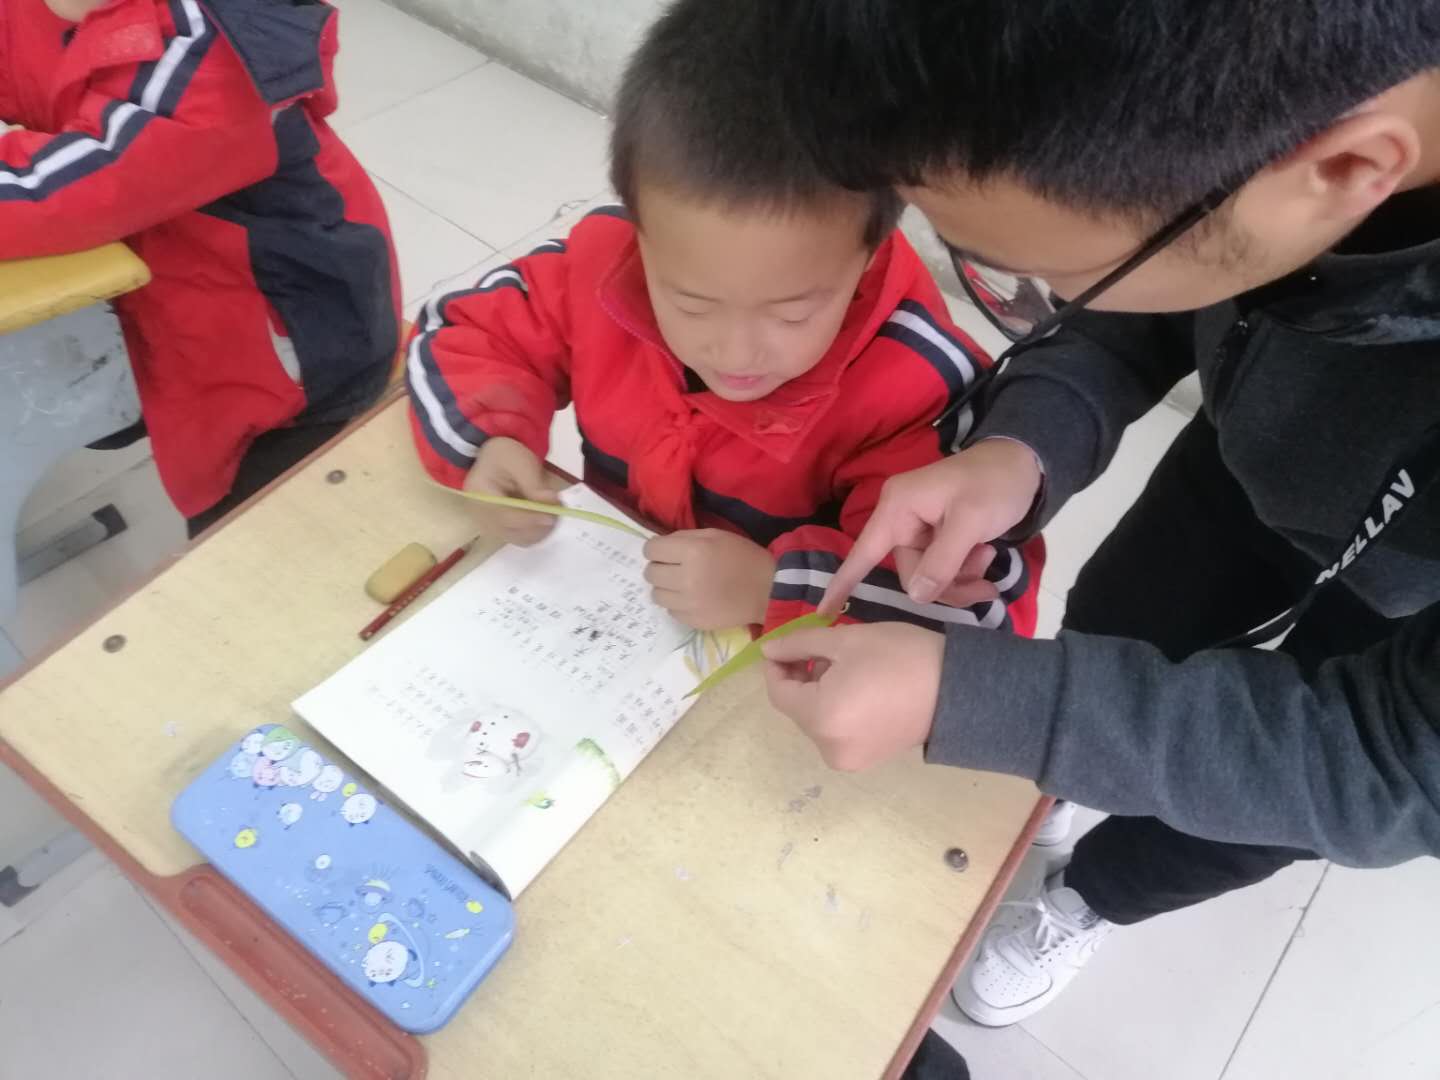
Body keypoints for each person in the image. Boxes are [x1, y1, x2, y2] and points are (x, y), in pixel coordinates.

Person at [746, 0, 1440, 1032]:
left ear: (1343, 171)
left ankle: (1092, 896)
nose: (1052, 294)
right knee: (1130, 611)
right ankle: (1068, 776)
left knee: (1252, 802)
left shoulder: (1247, 162)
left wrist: (986, 703)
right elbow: (1156, 283)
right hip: (1244, 459)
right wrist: (1025, 444)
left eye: (1059, 275)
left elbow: (1392, 759)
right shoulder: (1248, 135)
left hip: (1408, 602)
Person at [403, 1, 1044, 638]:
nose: (735, 354)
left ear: (869, 255)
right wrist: (489, 441)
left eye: (793, 313)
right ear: (641, 235)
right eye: (691, 304)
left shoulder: (924, 391)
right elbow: (461, 334)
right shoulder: (597, 265)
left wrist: (775, 587)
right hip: (609, 616)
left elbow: (980, 619)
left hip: (777, 667)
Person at [0, 0, 400, 537]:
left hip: (282, 326)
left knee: (246, 522)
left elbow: (65, 191)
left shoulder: (213, 48)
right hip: (163, 269)